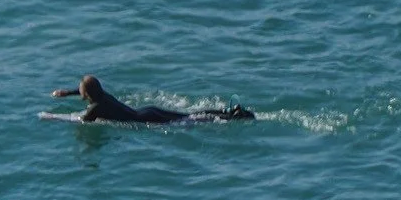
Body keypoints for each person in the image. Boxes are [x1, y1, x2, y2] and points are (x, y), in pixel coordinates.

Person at [50, 75, 252, 125]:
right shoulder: (103, 96)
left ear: (87, 95)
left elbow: (80, 120)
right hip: (147, 110)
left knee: (190, 121)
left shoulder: (94, 109)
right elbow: (86, 89)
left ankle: (231, 119)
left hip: (147, 120)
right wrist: (66, 93)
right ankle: (226, 112)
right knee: (189, 115)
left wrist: (51, 117)